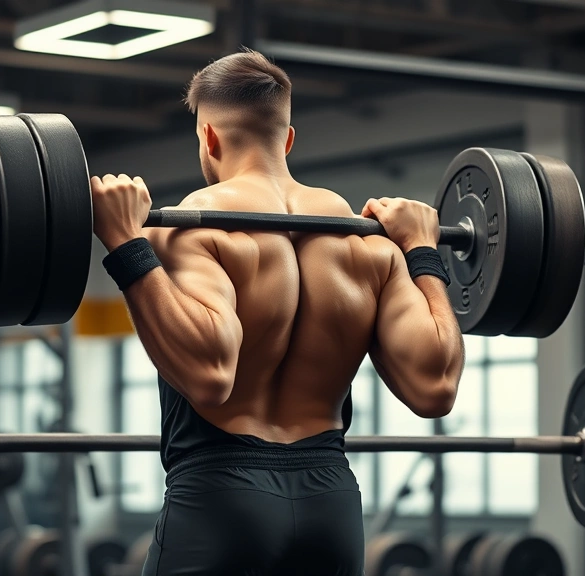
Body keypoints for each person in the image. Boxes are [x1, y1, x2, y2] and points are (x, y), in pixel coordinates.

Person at [90, 50, 464, 576]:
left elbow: (210, 375)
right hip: (331, 504)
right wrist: (423, 252)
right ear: (288, 138)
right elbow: (436, 386)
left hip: (221, 500)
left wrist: (125, 243)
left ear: (209, 137)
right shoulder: (370, 245)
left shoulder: (190, 230)